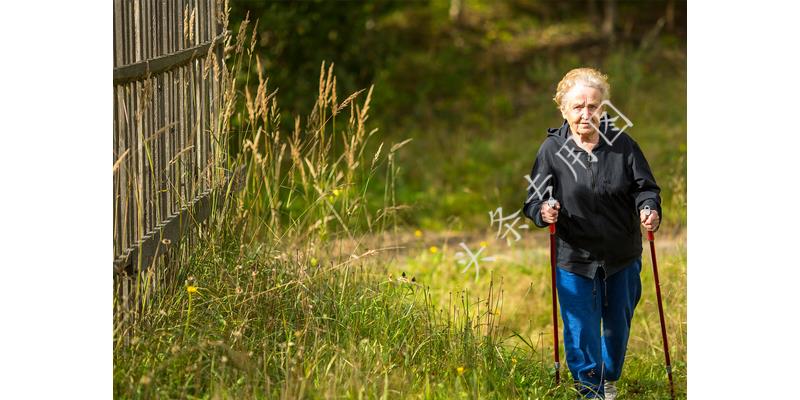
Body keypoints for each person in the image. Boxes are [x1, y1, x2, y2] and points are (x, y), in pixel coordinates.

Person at [522, 67, 661, 399]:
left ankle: (608, 375)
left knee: (617, 326)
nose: (586, 114)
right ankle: (590, 388)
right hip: (574, 257)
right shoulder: (552, 151)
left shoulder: (622, 145)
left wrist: (649, 207)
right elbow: (533, 201)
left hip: (622, 255)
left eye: (593, 106)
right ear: (563, 110)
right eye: (578, 107)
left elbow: (645, 187)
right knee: (580, 327)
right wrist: (543, 211)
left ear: (603, 108)